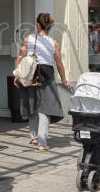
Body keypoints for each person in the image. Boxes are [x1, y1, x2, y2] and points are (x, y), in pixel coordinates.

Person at [14, 13, 72, 151]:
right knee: (45, 109)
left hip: (30, 76)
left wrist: (17, 74)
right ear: (50, 27)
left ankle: (34, 137)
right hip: (47, 76)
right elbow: (59, 64)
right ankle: (42, 141)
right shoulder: (54, 43)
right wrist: (64, 80)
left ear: (38, 25)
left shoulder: (29, 39)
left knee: (33, 105)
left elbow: (21, 57)